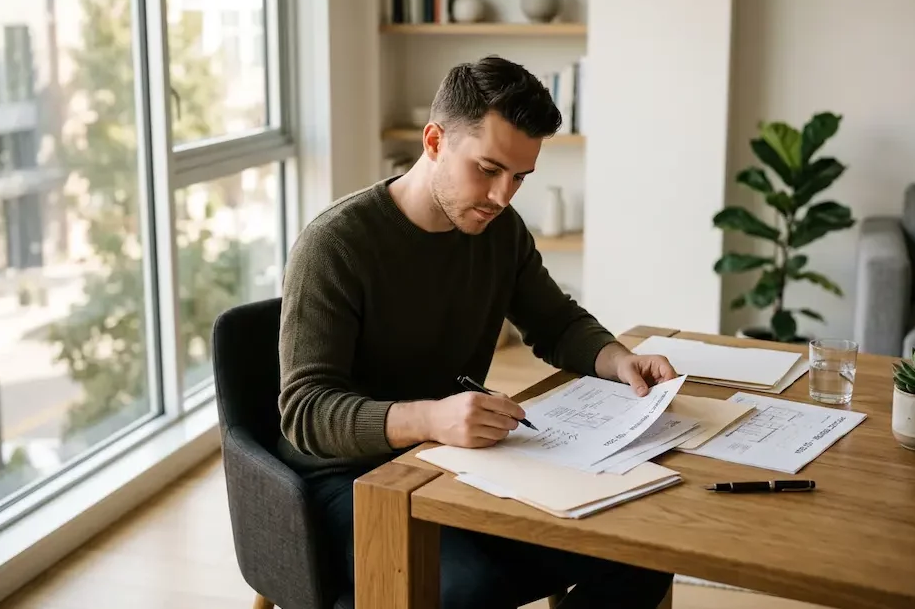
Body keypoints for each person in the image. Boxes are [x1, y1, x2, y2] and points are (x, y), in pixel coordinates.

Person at [277, 55, 677, 609]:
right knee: (476, 589)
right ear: (435, 140)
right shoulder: (336, 245)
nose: (503, 196)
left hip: (456, 458)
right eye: (488, 170)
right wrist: (432, 417)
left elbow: (555, 321)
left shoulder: (499, 232)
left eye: (519, 177)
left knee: (641, 551)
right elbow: (306, 413)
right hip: (349, 481)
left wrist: (616, 359)